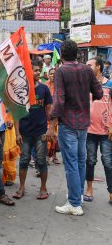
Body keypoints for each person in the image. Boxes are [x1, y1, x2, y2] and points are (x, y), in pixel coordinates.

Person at [45, 40, 103, 216]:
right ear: (77, 53)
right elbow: (99, 93)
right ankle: (77, 196)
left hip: (68, 124)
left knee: (71, 163)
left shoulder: (62, 71)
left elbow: (59, 99)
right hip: (83, 123)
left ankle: (74, 203)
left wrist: (51, 124)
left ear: (61, 55)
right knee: (79, 161)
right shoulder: (87, 69)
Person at [13, 61, 52, 200]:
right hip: (25, 132)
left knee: (41, 160)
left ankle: (43, 188)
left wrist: (51, 129)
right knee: (24, 160)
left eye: (39, 70)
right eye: (35, 70)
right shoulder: (21, 90)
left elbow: (49, 110)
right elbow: (16, 113)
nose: (38, 73)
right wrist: (17, 133)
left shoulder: (44, 89)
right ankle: (21, 187)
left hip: (41, 131)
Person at [84, 57, 112, 203]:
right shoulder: (85, 84)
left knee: (108, 161)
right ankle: (89, 189)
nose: (87, 66)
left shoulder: (110, 85)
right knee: (90, 161)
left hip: (106, 131)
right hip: (89, 131)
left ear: (98, 67)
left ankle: (111, 192)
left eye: (90, 65)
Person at [45, 68, 60, 164]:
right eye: (50, 74)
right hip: (47, 114)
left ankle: (54, 156)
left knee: (56, 137)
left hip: (57, 114)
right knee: (47, 136)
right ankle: (46, 156)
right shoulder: (45, 85)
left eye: (54, 74)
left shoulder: (60, 86)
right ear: (48, 75)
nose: (52, 76)